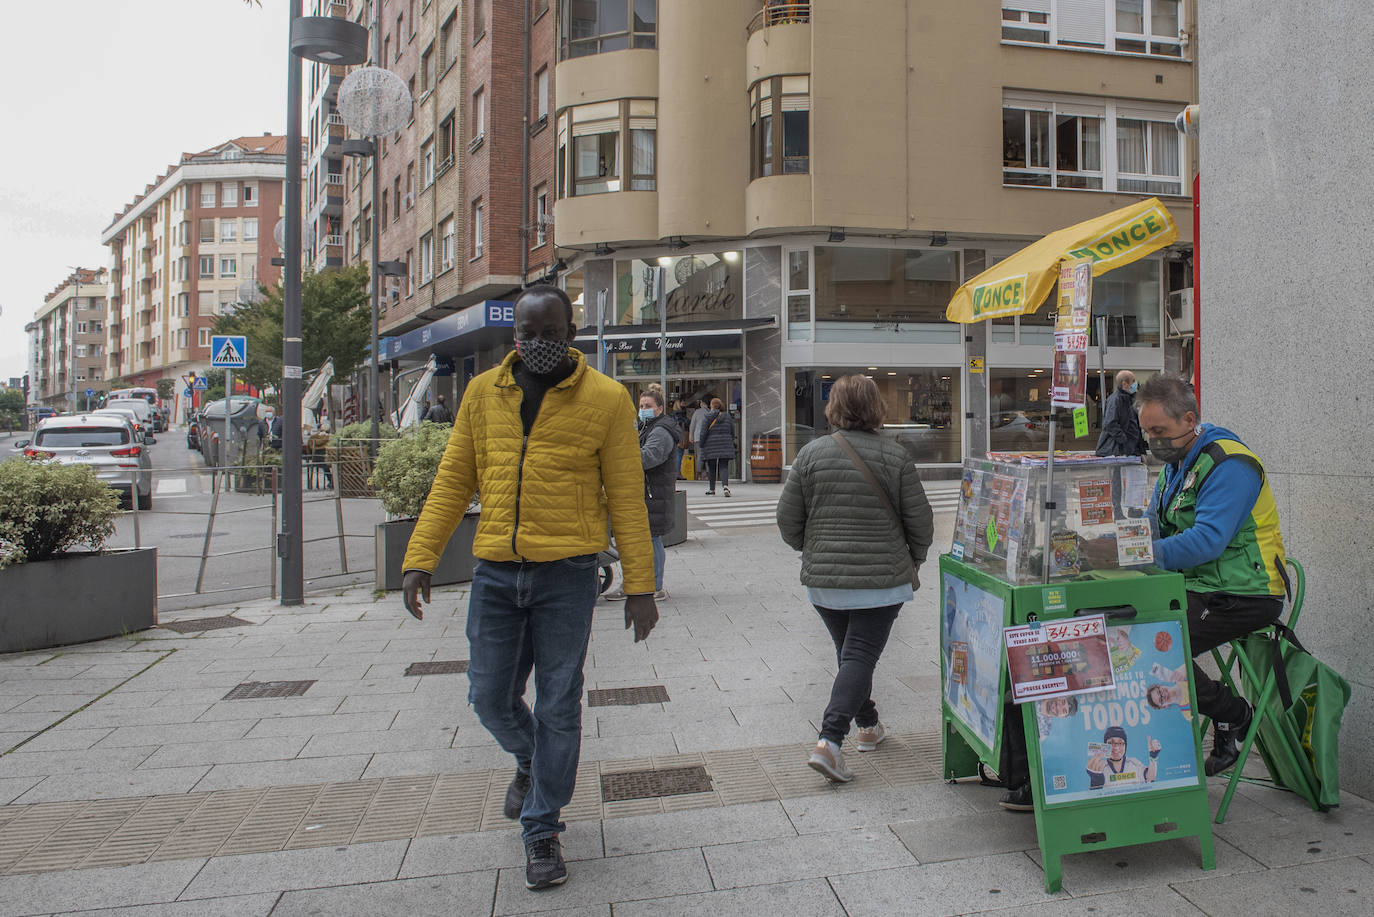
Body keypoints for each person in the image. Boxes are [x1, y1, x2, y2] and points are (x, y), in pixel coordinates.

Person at [400, 286, 658, 892]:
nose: (537, 343)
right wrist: (421, 557)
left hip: (567, 573)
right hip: (495, 569)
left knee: (560, 701)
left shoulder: (606, 398)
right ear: (515, 332)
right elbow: (453, 478)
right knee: (489, 697)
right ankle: (531, 761)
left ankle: (542, 827)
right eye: (527, 332)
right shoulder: (483, 391)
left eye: (549, 332)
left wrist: (642, 586)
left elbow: (626, 494)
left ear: (571, 331)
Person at [776, 374, 934, 783]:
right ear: (877, 408)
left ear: (834, 408)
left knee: (851, 654)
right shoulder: (895, 456)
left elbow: (787, 520)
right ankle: (829, 741)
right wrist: (913, 558)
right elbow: (921, 522)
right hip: (882, 582)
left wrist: (812, 550)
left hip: (825, 583)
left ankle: (869, 726)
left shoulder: (810, 455)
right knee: (859, 656)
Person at [1135, 373, 1288, 776]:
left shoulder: (1229, 464)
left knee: (1152, 646)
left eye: (1159, 431)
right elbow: (1153, 523)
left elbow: (1206, 541)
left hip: (1245, 592)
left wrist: (1138, 554)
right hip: (1199, 585)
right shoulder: (1178, 460)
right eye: (1147, 432)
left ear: (1189, 420)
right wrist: (1120, 538)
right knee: (1129, 625)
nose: (1153, 441)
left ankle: (1232, 713)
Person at [605, 389, 677, 601]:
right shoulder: (648, 427)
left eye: (648, 406)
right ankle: (634, 585)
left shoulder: (661, 431)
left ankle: (655, 586)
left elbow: (649, 456)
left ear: (660, 408)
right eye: (641, 406)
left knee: (652, 539)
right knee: (640, 541)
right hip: (646, 493)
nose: (643, 410)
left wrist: (619, 457)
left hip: (653, 495)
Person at [1087, 725, 1159, 788]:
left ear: (1125, 745)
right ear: (1105, 745)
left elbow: (1150, 778)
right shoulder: (1100, 767)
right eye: (1111, 742)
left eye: (1120, 743)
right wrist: (1095, 784)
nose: (1116, 747)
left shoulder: (1133, 763)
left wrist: (1153, 757)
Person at [1095, 370, 1147, 457]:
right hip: (1119, 451)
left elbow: (1133, 424)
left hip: (1131, 450)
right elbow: (1110, 424)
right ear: (1124, 383)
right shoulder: (1116, 400)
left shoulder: (1130, 399)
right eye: (1133, 381)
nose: (1135, 384)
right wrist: (1124, 441)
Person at [697, 397, 736, 496]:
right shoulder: (727, 416)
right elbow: (732, 431)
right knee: (724, 466)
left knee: (711, 467)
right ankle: (725, 487)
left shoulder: (707, 416)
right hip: (725, 444)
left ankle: (711, 489)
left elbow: (703, 432)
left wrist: (701, 444)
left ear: (711, 406)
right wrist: (730, 441)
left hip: (710, 445)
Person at [670, 400, 690, 478]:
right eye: (682, 403)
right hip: (680, 436)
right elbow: (685, 423)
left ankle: (676, 472)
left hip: (674, 436)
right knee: (679, 454)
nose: (684, 404)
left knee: (677, 455)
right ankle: (677, 473)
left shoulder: (672, 415)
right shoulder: (680, 415)